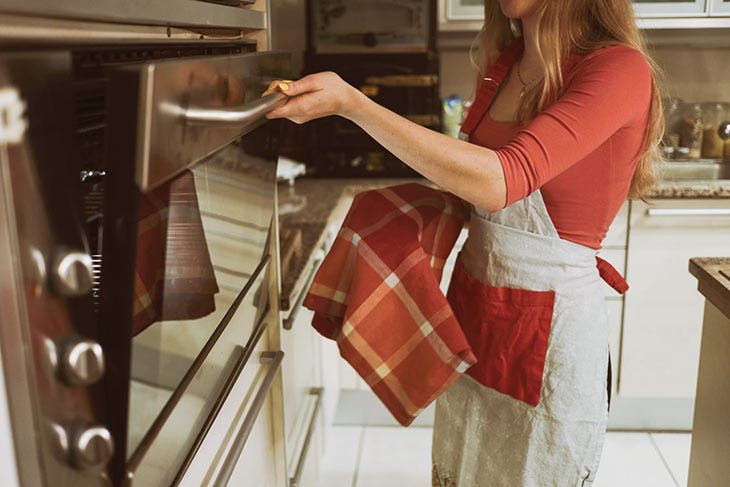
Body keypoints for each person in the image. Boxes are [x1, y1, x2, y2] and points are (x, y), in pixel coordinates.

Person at [265, 0, 663, 485]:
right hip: (478, 310)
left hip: (552, 334)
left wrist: (353, 105)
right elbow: (472, 186)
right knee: (461, 469)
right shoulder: (505, 65)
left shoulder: (618, 68)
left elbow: (503, 179)